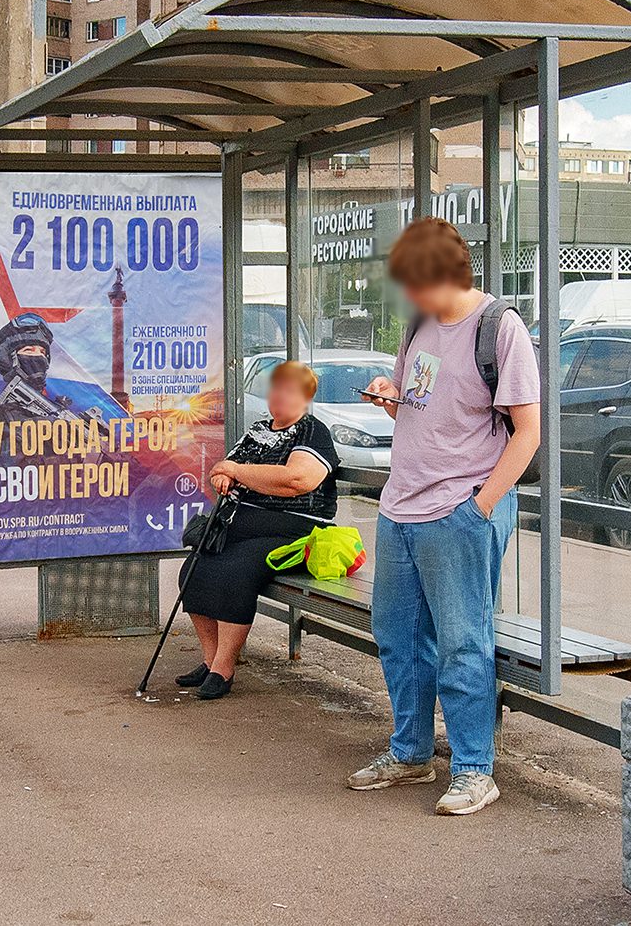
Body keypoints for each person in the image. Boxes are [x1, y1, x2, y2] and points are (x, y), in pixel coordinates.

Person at [349, 217, 541, 817]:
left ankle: (474, 769)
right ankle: (410, 752)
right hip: (401, 505)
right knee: (398, 637)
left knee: (463, 644)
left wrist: (479, 507)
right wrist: (389, 394)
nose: (408, 295)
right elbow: (417, 402)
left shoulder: (499, 327)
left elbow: (528, 432)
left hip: (459, 510)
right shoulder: (419, 324)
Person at [176, 361, 338, 700]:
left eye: (290, 391)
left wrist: (238, 472)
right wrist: (225, 475)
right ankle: (209, 659)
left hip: (295, 531)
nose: (280, 396)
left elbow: (297, 480)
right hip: (241, 525)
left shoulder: (312, 431)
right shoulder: (257, 431)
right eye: (276, 388)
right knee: (194, 568)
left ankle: (224, 668)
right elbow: (223, 470)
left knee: (235, 571)